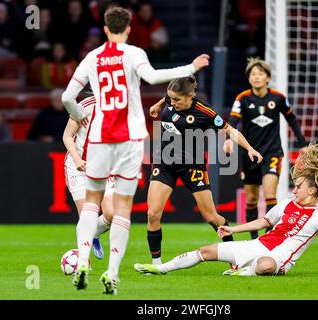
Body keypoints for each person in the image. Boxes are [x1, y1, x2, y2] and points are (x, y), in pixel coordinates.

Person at [61, 6, 210, 294]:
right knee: (122, 210)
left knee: (92, 203)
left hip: (101, 137)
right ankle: (112, 274)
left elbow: (67, 96)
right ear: (128, 29)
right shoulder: (134, 54)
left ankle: (82, 261)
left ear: (105, 29)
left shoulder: (92, 58)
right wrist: (190, 68)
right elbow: (153, 78)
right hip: (129, 138)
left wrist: (78, 113)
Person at [134, 128, 318, 277]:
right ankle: (161, 268)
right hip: (258, 245)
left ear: (311, 190)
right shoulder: (286, 205)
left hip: (279, 259)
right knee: (206, 251)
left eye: (299, 187)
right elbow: (262, 222)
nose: (295, 189)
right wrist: (233, 228)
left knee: (266, 265)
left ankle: (244, 271)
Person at [146, 76, 262, 266]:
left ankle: (235, 256)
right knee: (153, 214)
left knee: (211, 217)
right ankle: (156, 263)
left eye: (176, 100)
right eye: (170, 99)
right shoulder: (171, 100)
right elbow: (166, 100)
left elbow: (230, 131)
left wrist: (249, 148)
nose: (172, 103)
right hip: (164, 162)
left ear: (190, 96)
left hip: (193, 166)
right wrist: (159, 105)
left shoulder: (204, 112)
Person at [223, 57, 307, 239]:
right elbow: (233, 121)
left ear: (268, 77)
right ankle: (254, 240)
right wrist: (229, 138)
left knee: (270, 194)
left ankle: (270, 238)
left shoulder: (278, 98)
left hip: (272, 152)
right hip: (249, 154)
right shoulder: (242, 98)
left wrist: (302, 144)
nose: (257, 77)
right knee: (252, 199)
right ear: (249, 78)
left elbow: (291, 119)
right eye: (253, 74)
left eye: (260, 74)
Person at [63, 94, 114, 260]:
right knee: (87, 215)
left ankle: (94, 235)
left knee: (111, 214)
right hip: (78, 166)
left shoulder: (122, 109)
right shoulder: (86, 105)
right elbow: (67, 136)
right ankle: (83, 262)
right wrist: (77, 159)